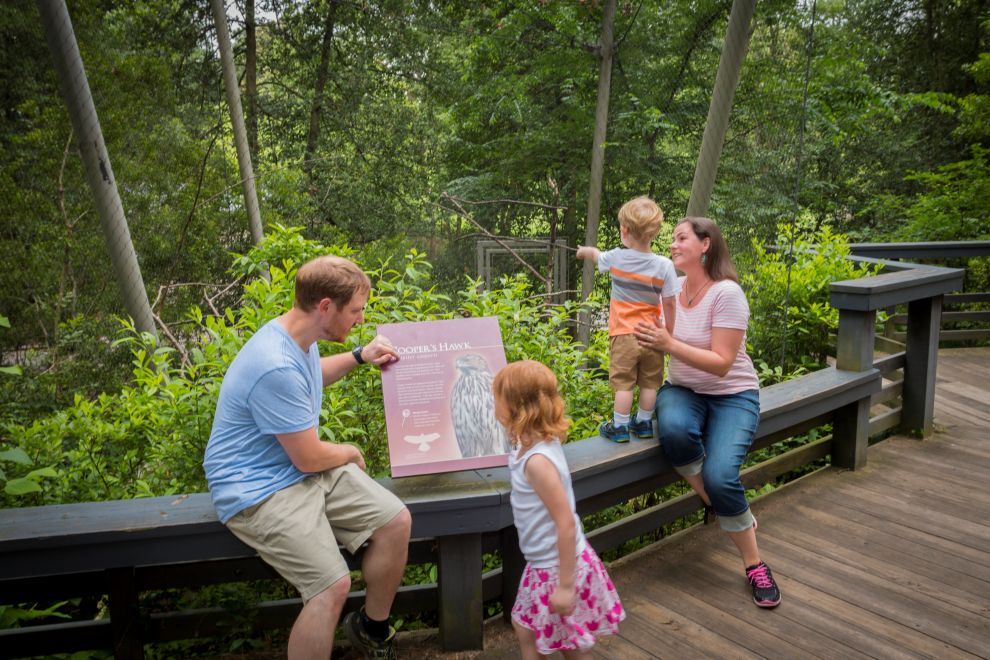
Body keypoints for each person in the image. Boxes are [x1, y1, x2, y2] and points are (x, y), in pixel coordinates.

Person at [203, 255, 413, 659]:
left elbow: (311, 371)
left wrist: (358, 356)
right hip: (256, 488)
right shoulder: (274, 364)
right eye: (356, 311)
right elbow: (311, 457)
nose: (361, 319)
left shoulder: (295, 339)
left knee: (395, 521)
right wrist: (351, 452)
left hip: (295, 467)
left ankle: (372, 629)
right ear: (326, 307)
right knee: (330, 586)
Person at [633, 216, 781, 608]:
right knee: (676, 431)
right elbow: (651, 335)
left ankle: (754, 564)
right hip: (683, 391)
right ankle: (715, 500)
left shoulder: (727, 294)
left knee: (722, 475)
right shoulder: (672, 289)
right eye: (672, 239)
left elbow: (721, 362)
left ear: (705, 245)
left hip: (733, 394)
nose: (673, 244)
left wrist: (667, 343)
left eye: (681, 238)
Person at [493, 360, 625, 659]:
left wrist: (565, 586)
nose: (494, 405)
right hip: (544, 563)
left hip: (556, 567)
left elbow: (565, 523)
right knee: (529, 628)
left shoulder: (538, 462)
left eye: (497, 398)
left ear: (516, 407)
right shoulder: (536, 443)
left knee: (565, 642)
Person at [576, 196, 679, 443]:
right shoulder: (664, 265)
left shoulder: (616, 258)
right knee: (649, 383)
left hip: (623, 334)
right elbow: (670, 303)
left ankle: (620, 426)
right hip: (653, 335)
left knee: (624, 384)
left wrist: (584, 252)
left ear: (624, 230)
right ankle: (643, 423)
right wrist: (668, 333)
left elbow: (596, 255)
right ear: (654, 233)